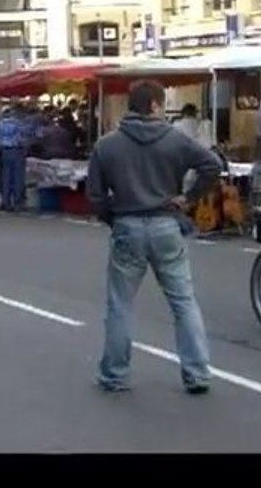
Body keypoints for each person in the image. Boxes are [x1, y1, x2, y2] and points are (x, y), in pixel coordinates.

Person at [86, 80, 223, 394]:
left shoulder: (107, 145)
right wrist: (187, 198)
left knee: (120, 305)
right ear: (155, 106)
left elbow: (95, 195)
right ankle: (197, 372)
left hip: (127, 224)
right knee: (183, 302)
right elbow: (212, 166)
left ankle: (115, 375)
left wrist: (113, 217)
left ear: (132, 105)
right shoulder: (175, 140)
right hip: (166, 223)